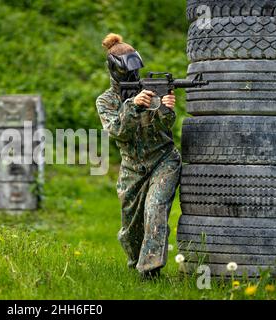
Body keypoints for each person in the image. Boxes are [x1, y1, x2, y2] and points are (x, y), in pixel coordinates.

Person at [96, 33, 181, 279]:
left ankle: (150, 273)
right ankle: (136, 262)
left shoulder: (149, 89)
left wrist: (166, 107)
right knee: (131, 231)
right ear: (115, 70)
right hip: (132, 168)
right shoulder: (106, 101)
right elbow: (118, 132)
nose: (133, 76)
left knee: (155, 210)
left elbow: (166, 126)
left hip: (163, 160)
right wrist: (134, 105)